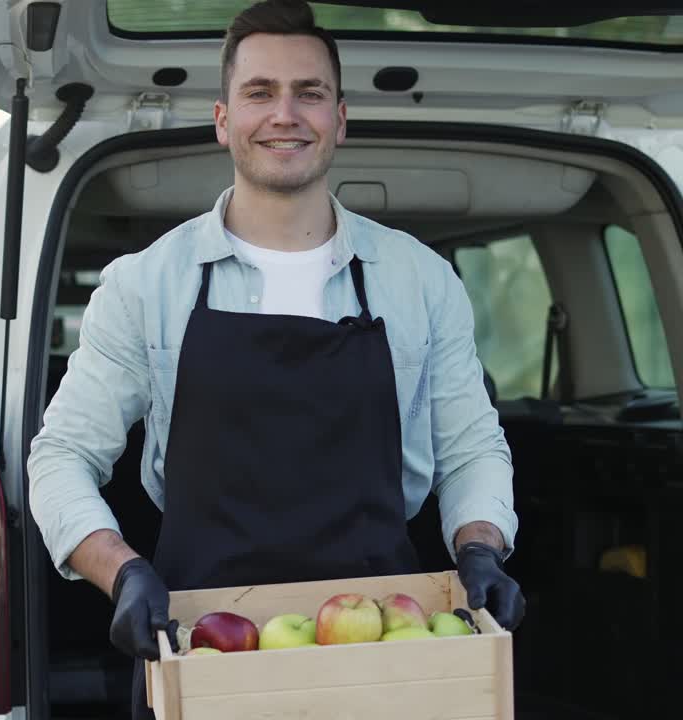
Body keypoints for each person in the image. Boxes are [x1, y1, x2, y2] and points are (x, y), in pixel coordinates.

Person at [26, 0, 525, 716]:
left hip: (386, 653)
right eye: (260, 92)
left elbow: (472, 446)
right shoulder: (147, 284)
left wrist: (480, 546)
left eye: (309, 93)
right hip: (202, 653)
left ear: (340, 118)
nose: (284, 114)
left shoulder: (418, 279)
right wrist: (123, 571)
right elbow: (61, 456)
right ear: (224, 119)